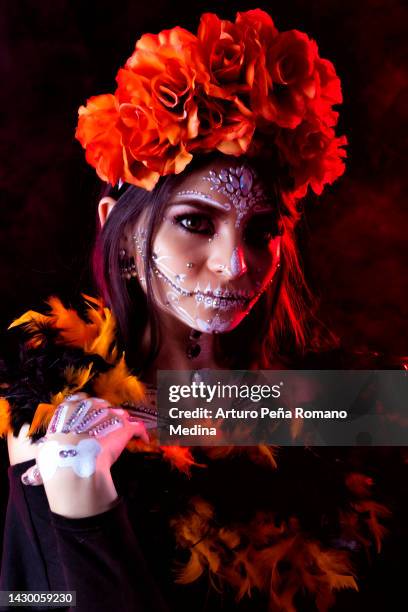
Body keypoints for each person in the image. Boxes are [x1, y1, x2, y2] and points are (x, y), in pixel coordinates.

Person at [0, 8, 390, 612]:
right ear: (120, 233)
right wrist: (85, 508)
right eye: (195, 223)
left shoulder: (324, 400)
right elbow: (30, 600)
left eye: (261, 232)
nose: (236, 264)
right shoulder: (46, 414)